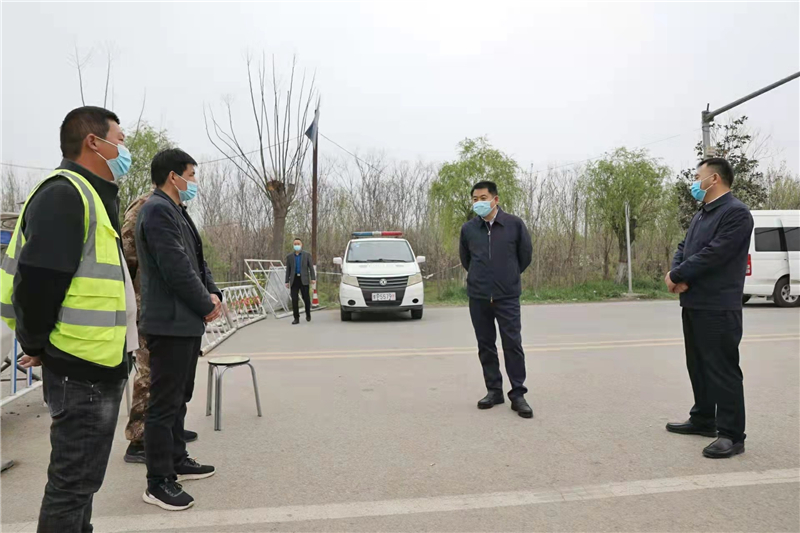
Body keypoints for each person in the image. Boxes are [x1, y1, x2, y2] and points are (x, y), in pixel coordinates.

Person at [0, 106, 134, 532]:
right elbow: (37, 283)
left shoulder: (91, 195)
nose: (125, 149)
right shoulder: (65, 194)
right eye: (121, 139)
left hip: (94, 363)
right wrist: (37, 345)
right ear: (94, 142)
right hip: (81, 369)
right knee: (72, 485)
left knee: (82, 483)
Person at [136, 148, 222, 511]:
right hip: (169, 322)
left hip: (184, 322)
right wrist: (206, 303)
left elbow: (197, 263)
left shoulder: (177, 211)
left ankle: (177, 459)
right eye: (191, 175)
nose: (194, 182)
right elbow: (176, 268)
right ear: (174, 176)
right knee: (163, 403)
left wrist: (214, 293)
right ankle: (158, 481)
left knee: (179, 397)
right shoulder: (156, 210)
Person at [665, 157, 754, 459]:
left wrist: (678, 275)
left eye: (697, 176)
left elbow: (714, 254)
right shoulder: (703, 213)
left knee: (722, 369)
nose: (694, 182)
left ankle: (732, 435)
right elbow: (684, 247)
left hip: (718, 305)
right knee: (698, 365)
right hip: (694, 302)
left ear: (714, 179)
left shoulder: (736, 213)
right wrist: (675, 274)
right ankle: (703, 418)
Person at [120, 191, 199, 464]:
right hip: (148, 303)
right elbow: (128, 254)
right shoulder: (146, 205)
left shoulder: (177, 208)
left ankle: (169, 431)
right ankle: (139, 439)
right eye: (190, 173)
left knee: (173, 378)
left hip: (171, 306)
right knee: (150, 374)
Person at [459, 181, 534, 418]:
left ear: (495, 199)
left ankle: (518, 394)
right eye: (475, 199)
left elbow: (525, 256)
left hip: (507, 295)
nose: (478, 203)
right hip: (479, 296)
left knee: (512, 343)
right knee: (485, 345)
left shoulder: (514, 224)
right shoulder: (468, 229)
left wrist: (507, 276)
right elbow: (466, 260)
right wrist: (482, 278)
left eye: (483, 198)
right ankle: (494, 391)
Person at [284, 238, 316, 325]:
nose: (296, 245)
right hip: (294, 280)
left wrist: (313, 278)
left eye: (298, 244)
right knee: (294, 299)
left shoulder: (307, 255)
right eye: (295, 244)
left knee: (306, 298)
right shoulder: (290, 257)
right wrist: (287, 281)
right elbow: (288, 270)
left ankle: (308, 314)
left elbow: (311, 267)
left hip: (304, 279)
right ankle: (296, 318)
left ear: (301, 245)